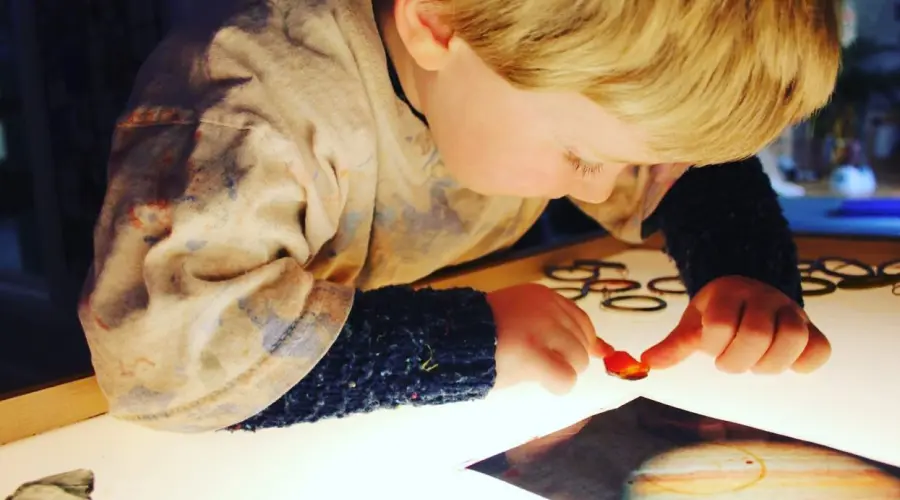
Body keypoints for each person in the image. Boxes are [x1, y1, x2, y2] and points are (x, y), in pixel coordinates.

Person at [78, 0, 841, 433]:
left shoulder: (515, 55)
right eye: (581, 156)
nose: (623, 183)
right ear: (439, 23)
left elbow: (691, 176)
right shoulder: (254, 110)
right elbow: (171, 362)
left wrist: (744, 273)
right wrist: (469, 344)